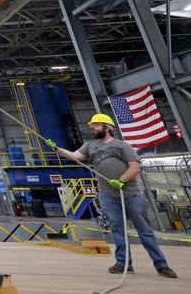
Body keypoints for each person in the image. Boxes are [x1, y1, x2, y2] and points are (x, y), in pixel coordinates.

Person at [52, 113, 177, 278]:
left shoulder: (122, 146)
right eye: (92, 125)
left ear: (107, 127)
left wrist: (121, 180)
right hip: (108, 195)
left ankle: (161, 265)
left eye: (96, 125)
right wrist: (57, 149)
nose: (93, 128)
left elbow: (135, 167)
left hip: (131, 194)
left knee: (144, 230)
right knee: (117, 229)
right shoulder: (90, 146)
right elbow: (75, 156)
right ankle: (123, 263)